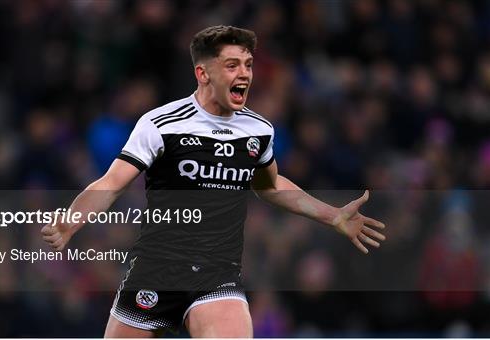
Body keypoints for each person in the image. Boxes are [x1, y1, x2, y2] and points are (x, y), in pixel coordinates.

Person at [41, 25, 386, 338]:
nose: (245, 74)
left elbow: (270, 185)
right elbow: (112, 182)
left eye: (248, 64)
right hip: (156, 270)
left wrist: (332, 215)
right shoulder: (162, 123)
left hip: (217, 274)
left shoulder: (258, 130)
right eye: (232, 65)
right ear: (203, 73)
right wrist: (71, 222)